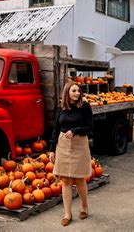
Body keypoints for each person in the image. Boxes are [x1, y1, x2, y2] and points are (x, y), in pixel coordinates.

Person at [48, 81, 93, 226]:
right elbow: (55, 129)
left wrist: (75, 131)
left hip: (79, 143)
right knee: (65, 180)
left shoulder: (84, 107)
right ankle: (67, 213)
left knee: (79, 179)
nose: (77, 94)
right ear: (67, 92)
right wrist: (51, 149)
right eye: (74, 91)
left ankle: (84, 206)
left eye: (78, 91)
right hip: (63, 145)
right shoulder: (61, 108)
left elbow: (90, 127)